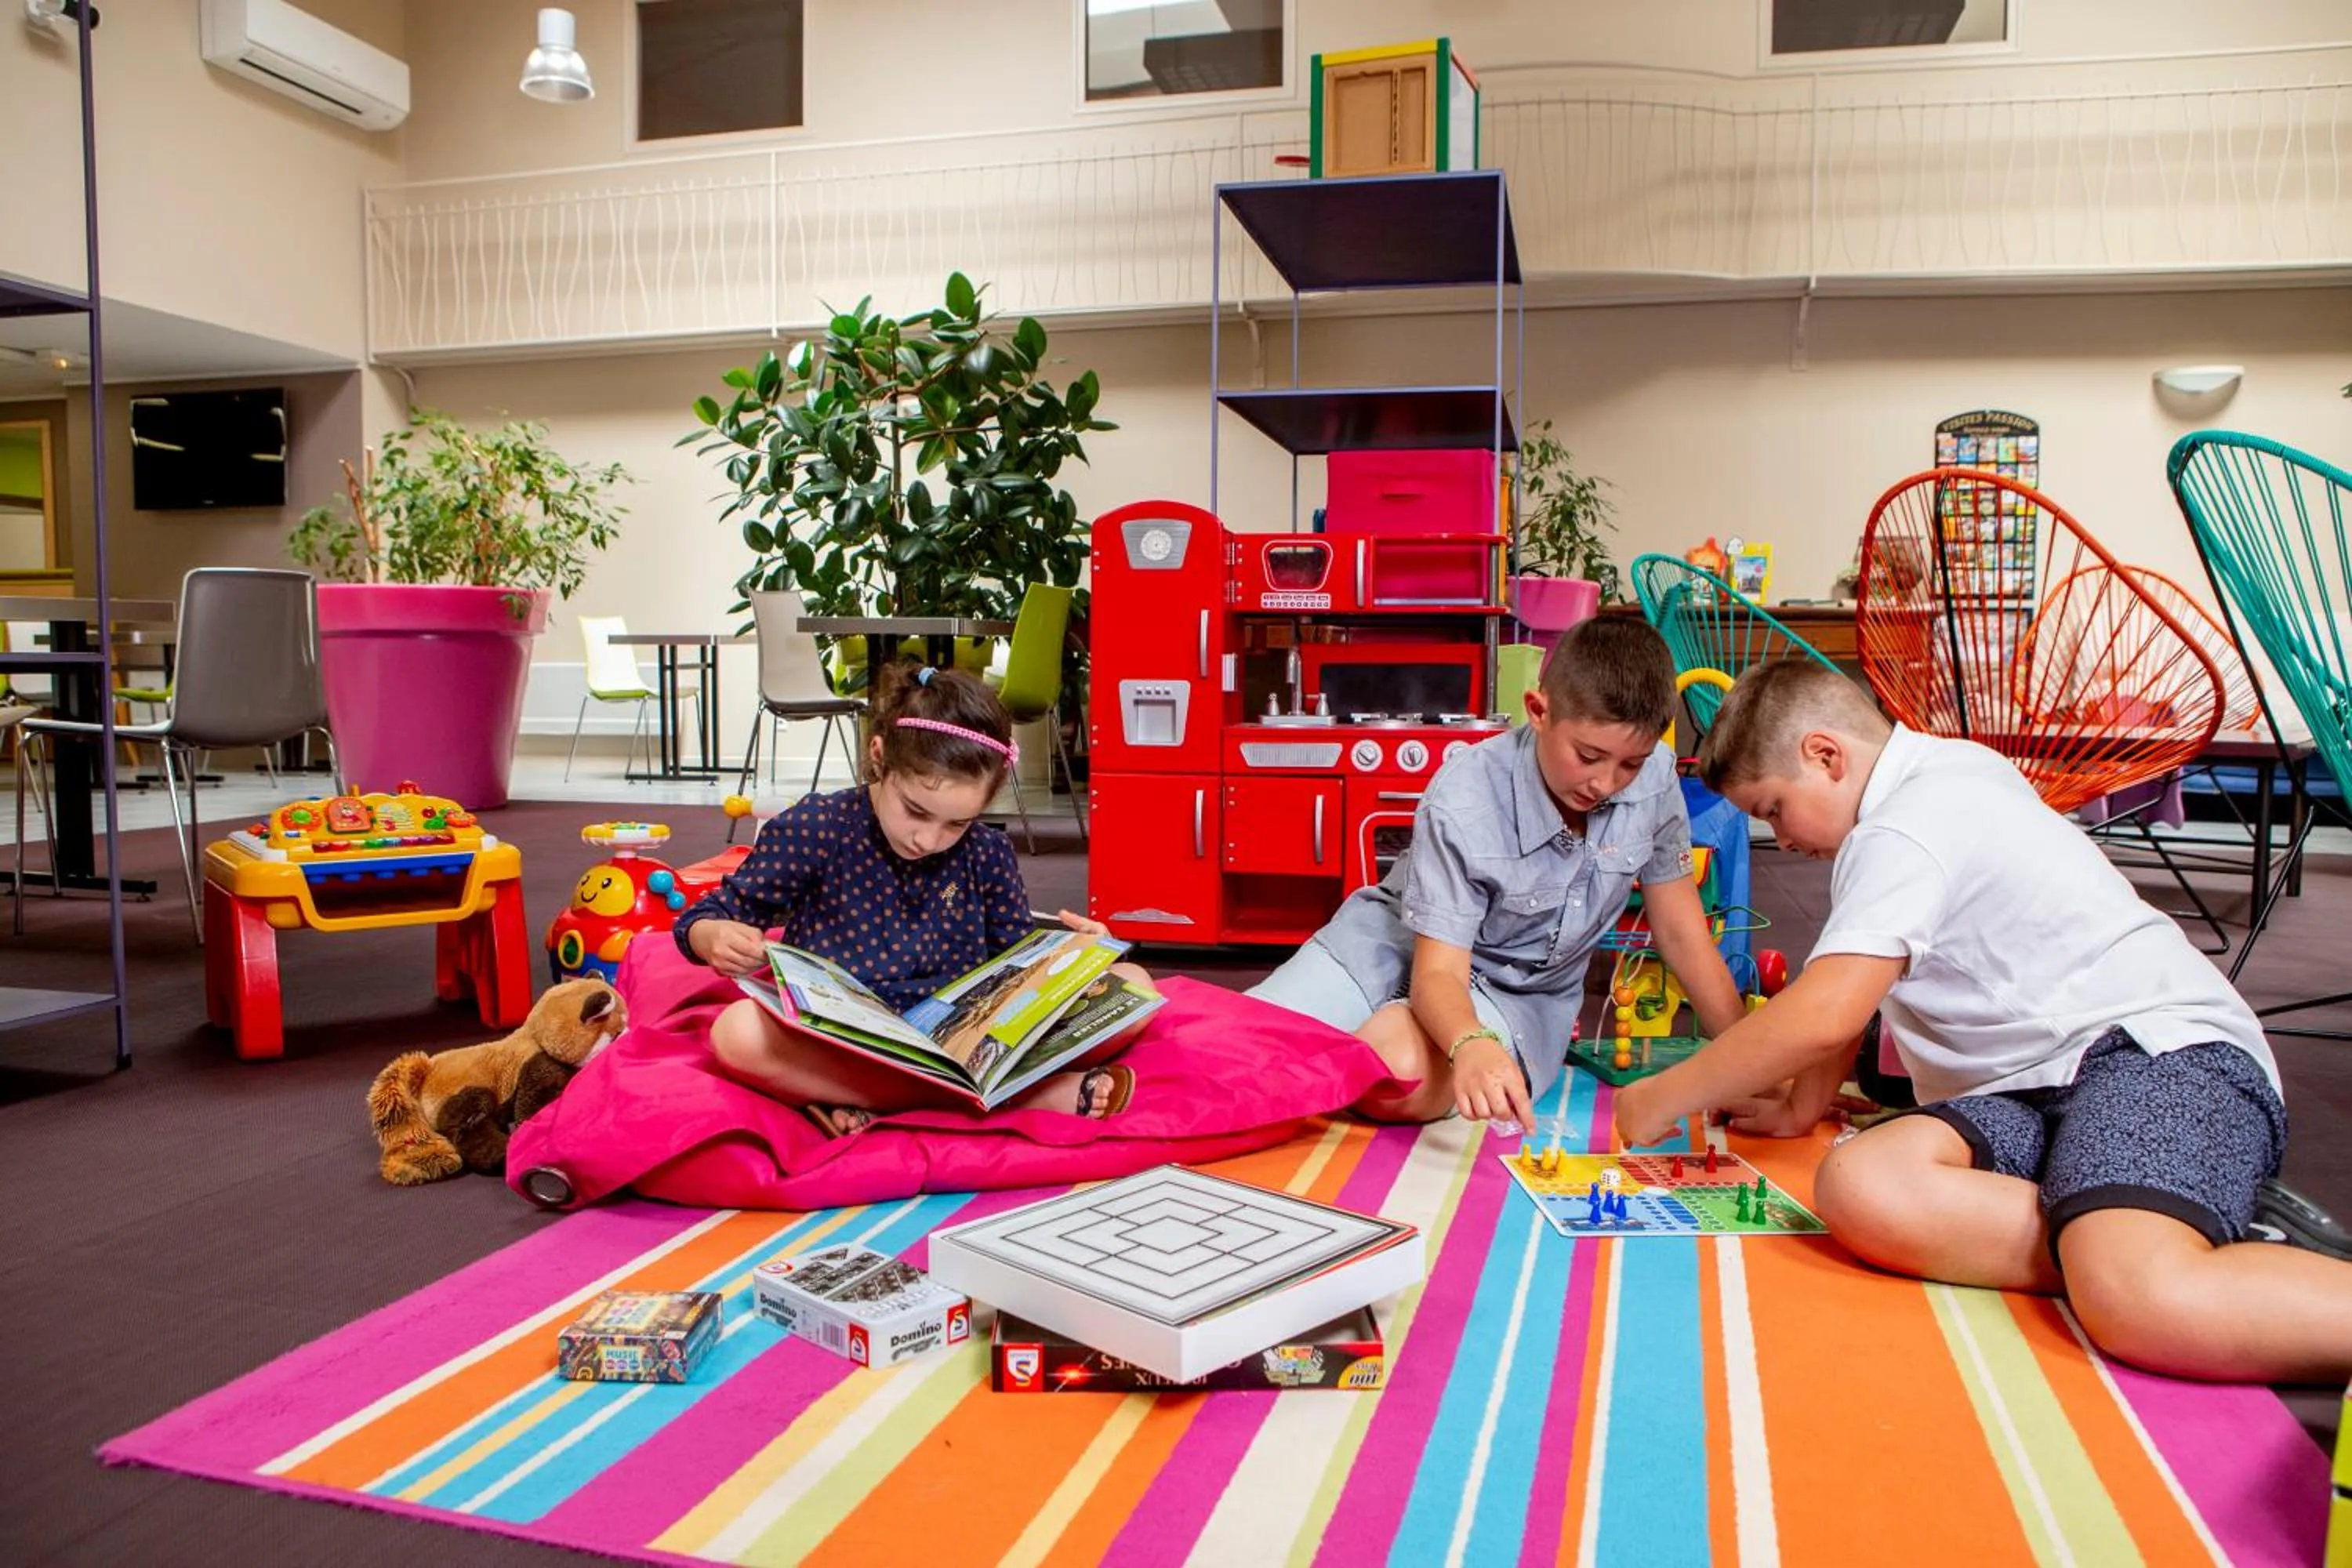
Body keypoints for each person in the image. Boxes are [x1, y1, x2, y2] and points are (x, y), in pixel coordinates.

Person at [1614, 659, 2352, 1383]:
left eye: (1773, 809)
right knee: (1864, 1188)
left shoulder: (1907, 825)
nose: (1785, 835)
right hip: (2027, 1089)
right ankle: (2151, 1217)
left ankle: (2176, 1241)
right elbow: (1849, 992)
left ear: (1827, 756)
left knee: (2140, 1304)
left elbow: (1826, 1010)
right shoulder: (1946, 771)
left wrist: (1667, 1092)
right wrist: (1800, 1108)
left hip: (2157, 1054)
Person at [1250, 618, 1748, 1128]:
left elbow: (1682, 932)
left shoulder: (1657, 780)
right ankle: (1310, 1059)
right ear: (1539, 711)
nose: (1606, 783)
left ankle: (1327, 1064)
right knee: (1236, 1043)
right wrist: (1468, 1042)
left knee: (1387, 1071)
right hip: (1388, 945)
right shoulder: (1464, 797)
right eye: (1589, 756)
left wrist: (1747, 1061)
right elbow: (1438, 973)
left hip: (1514, 996)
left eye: (1631, 764)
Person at [676, 662, 1150, 1132]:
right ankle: (1017, 1097)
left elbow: (1016, 963)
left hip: (959, 1040)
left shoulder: (986, 851)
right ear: (879, 757)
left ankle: (870, 1101)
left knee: (1134, 983)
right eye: (915, 811)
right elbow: (709, 915)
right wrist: (710, 935)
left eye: (956, 823)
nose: (928, 839)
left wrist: (1077, 957)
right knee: (737, 1033)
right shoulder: (818, 828)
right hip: (846, 1041)